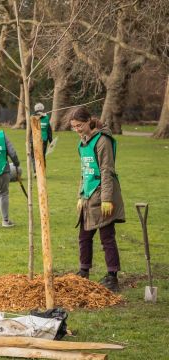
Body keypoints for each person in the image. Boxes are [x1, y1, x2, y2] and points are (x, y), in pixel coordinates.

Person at [70, 106, 125, 292]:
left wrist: (107, 199)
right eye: (74, 127)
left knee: (107, 237)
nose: (76, 130)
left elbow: (106, 171)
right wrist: (81, 195)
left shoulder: (103, 141)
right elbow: (84, 173)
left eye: (79, 126)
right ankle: (83, 272)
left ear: (88, 122)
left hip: (103, 194)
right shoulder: (83, 143)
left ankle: (112, 276)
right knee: (84, 237)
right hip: (88, 196)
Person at [30, 103, 53, 172]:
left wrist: (29, 140)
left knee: (34, 156)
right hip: (44, 140)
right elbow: (49, 130)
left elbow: (30, 130)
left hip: (35, 140)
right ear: (42, 109)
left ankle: (36, 171)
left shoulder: (32, 117)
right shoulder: (46, 118)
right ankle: (42, 171)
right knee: (42, 156)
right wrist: (50, 140)